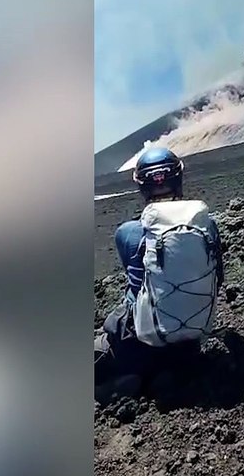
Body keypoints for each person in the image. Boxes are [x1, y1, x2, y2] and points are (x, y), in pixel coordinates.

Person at [95, 147, 224, 403]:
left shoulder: (128, 232)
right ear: (179, 179)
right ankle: (168, 373)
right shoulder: (208, 227)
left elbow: (136, 283)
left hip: (138, 344)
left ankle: (125, 382)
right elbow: (218, 279)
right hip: (190, 340)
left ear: (142, 187)